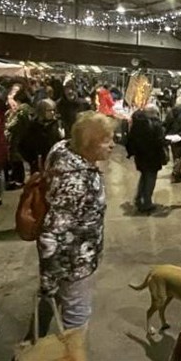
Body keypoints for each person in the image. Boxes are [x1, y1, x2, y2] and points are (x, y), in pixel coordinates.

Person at [35, 111, 115, 337]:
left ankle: (35, 341)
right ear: (89, 144)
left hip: (75, 256)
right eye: (106, 140)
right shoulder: (77, 180)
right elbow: (51, 233)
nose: (112, 145)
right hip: (73, 263)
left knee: (53, 303)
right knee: (77, 317)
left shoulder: (63, 149)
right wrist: (48, 279)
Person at [126, 105, 166, 213]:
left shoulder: (138, 123)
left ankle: (139, 198)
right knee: (150, 179)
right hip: (152, 156)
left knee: (144, 177)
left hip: (140, 155)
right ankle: (147, 203)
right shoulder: (155, 124)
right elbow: (159, 141)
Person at [20, 99, 64, 174]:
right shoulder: (33, 126)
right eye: (49, 110)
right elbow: (23, 145)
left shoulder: (57, 124)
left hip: (55, 162)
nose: (52, 113)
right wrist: (33, 160)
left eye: (53, 110)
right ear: (42, 111)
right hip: (39, 164)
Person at [5, 88, 32, 189]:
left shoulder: (22, 110)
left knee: (16, 158)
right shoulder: (29, 109)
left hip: (18, 137)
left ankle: (19, 180)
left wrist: (7, 124)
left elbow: (12, 125)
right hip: (24, 137)